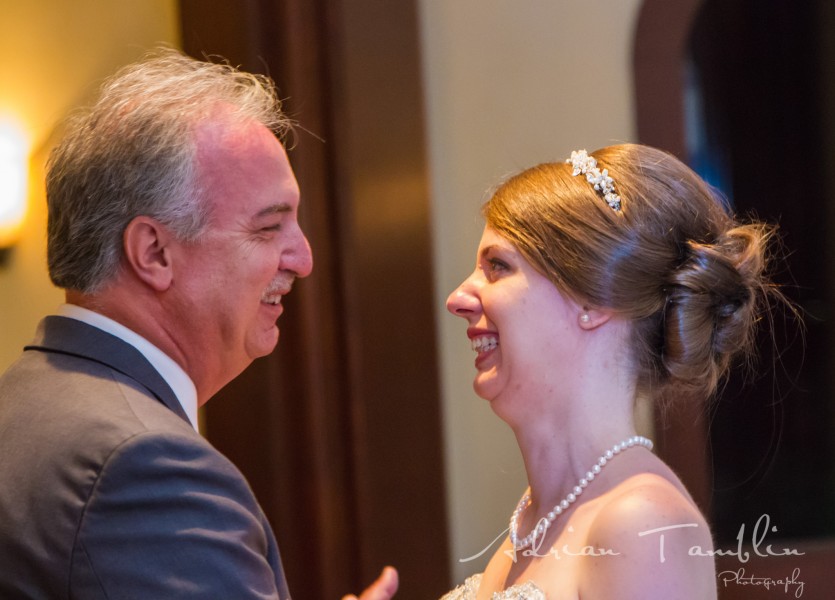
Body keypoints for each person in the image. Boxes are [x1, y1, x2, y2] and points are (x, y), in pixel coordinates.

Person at [0, 48, 397, 599]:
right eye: (267, 228)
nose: (303, 259)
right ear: (154, 252)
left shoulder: (18, 403)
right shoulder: (146, 467)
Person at [442, 144, 781, 599]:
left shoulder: (640, 521)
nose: (459, 297)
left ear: (591, 300)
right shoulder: (534, 518)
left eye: (497, 266)